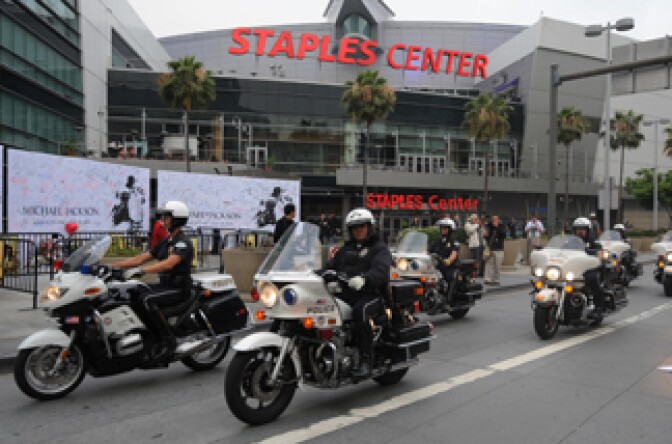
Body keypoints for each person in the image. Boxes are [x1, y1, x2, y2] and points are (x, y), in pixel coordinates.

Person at [112, 201, 194, 361]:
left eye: (167, 217)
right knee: (134, 292)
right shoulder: (166, 242)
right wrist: (113, 266)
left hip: (179, 288)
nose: (163, 220)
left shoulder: (182, 242)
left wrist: (142, 271)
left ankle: (168, 341)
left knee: (146, 300)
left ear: (176, 219)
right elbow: (141, 258)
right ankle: (146, 335)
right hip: (165, 285)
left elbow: (169, 263)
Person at [321, 208, 392, 378]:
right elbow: (330, 266)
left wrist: (365, 279)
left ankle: (366, 360)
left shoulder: (379, 248)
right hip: (348, 293)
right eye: (354, 227)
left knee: (360, 311)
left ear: (369, 227)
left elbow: (381, 271)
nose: (358, 230)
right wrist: (317, 273)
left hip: (372, 294)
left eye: (362, 226)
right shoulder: (347, 249)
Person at [572, 217, 605, 320]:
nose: (580, 232)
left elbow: (600, 253)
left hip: (589, 270)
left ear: (588, 230)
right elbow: (560, 251)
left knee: (593, 279)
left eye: (582, 229)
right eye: (578, 229)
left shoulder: (594, 243)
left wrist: (593, 252)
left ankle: (598, 308)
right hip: (573, 270)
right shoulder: (570, 242)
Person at [429, 218, 459, 300]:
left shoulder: (453, 241)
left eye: (445, 228)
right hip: (438, 265)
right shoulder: (437, 241)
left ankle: (449, 298)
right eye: (442, 228)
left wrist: (449, 260)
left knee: (450, 277)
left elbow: (454, 252)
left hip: (450, 266)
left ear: (450, 230)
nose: (443, 230)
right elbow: (428, 250)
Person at [484, 215, 506, 285]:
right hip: (490, 248)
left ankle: (496, 280)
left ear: (499, 220)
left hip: (499, 248)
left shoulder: (502, 226)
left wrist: (497, 227)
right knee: (489, 264)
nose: (494, 220)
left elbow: (503, 235)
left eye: (496, 219)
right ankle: (488, 279)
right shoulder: (489, 225)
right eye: (493, 219)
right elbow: (486, 236)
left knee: (497, 265)